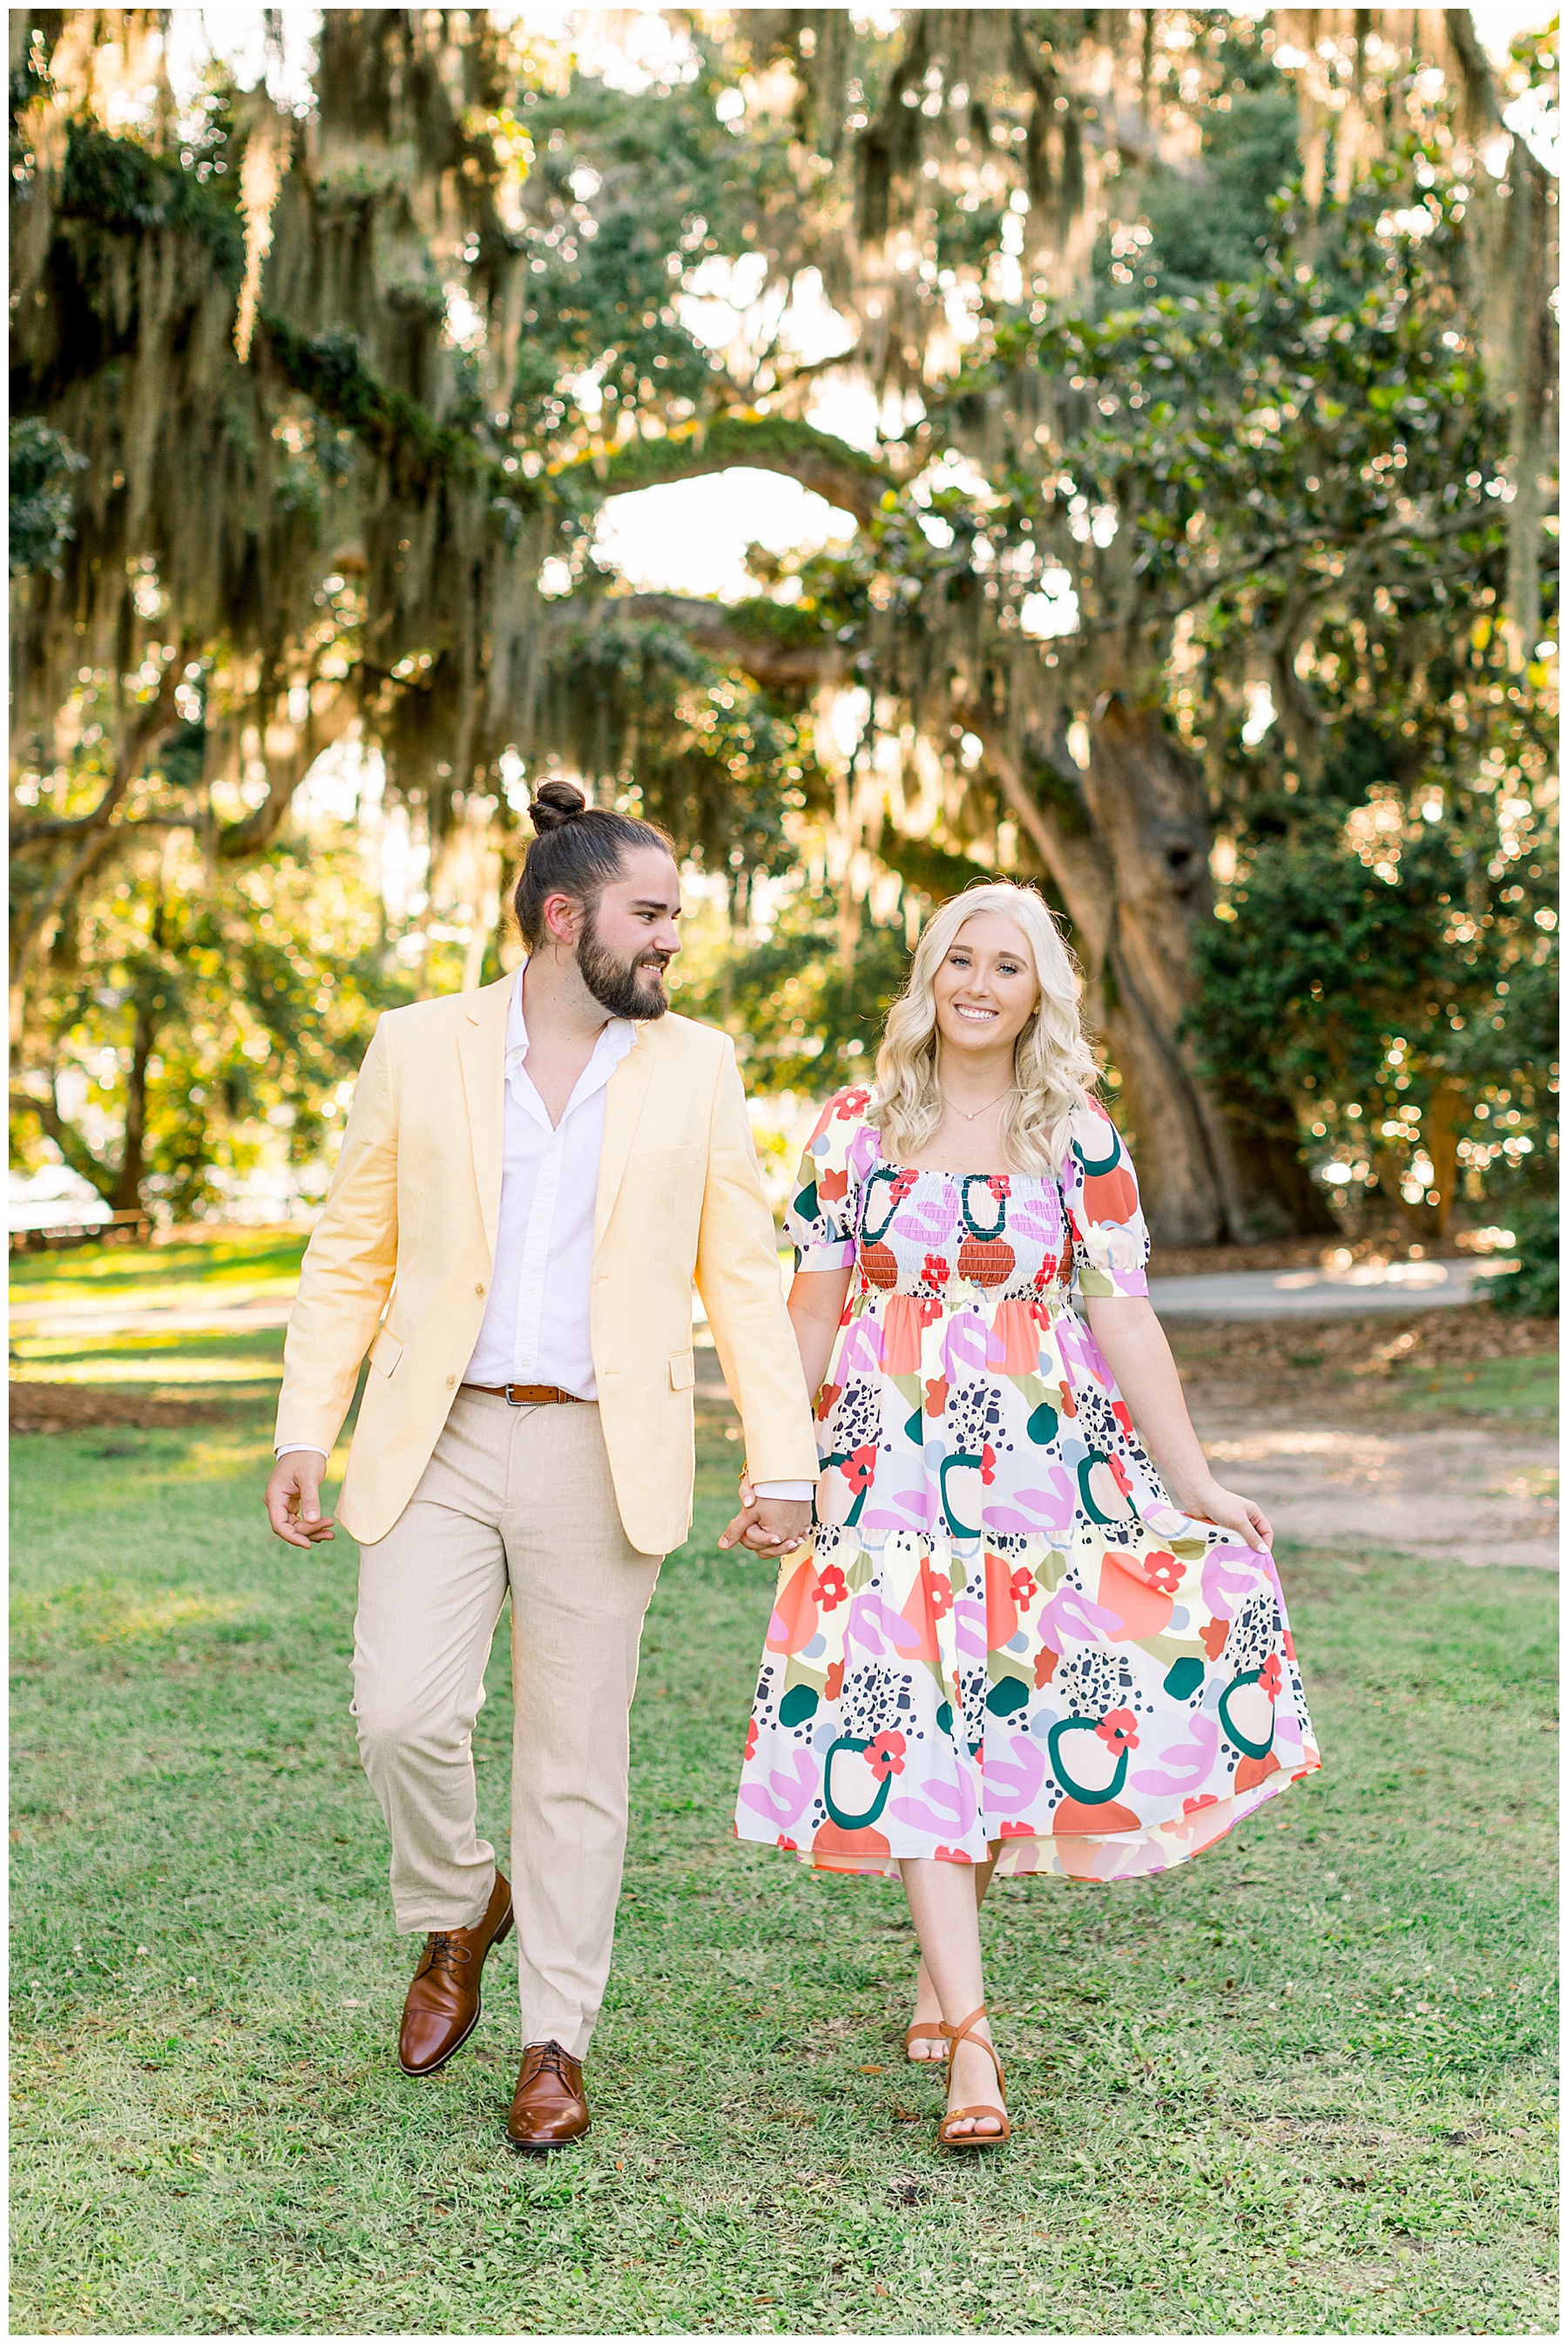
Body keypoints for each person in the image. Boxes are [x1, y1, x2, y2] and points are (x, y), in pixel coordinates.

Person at [265, 781, 818, 2151]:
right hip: (435, 1432)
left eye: (676, 918)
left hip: (598, 1442)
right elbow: (353, 1253)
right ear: (564, 917)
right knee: (402, 1714)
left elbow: (745, 1281)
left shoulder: (697, 1066)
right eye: (651, 915)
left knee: (574, 1760)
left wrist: (783, 1458)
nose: (671, 942)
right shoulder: (418, 1045)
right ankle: (458, 1901)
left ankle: (554, 2038)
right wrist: (301, 1425)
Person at [729, 880, 1321, 2151]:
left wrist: (1197, 1481)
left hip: (1041, 1475)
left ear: (1038, 990)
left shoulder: (1077, 1135)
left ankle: (941, 1974)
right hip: (884, 1470)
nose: (981, 983)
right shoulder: (853, 1126)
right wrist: (775, 1467)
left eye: (1008, 965)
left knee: (993, 1711)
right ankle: (976, 2037)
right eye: (961, 959)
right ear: (928, 975)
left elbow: (1125, 1317)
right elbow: (811, 1315)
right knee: (911, 1716)